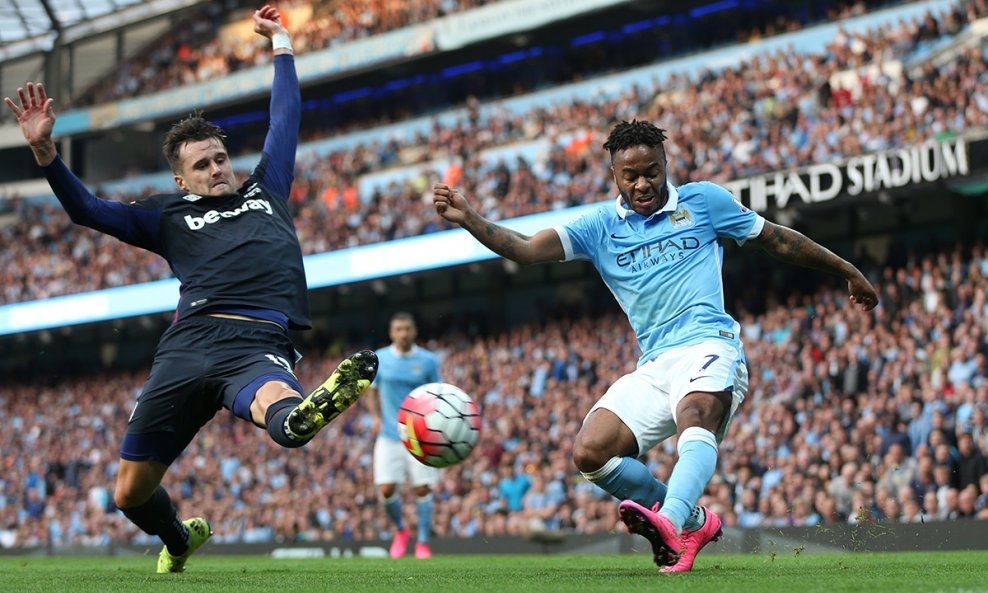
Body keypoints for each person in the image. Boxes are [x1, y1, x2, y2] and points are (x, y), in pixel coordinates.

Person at [4, 5, 378, 573]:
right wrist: (45, 154)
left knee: (281, 410)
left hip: (255, 342)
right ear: (181, 179)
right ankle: (178, 539)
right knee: (129, 493)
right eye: (202, 165)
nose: (217, 169)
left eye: (221, 158)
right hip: (187, 347)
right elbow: (86, 210)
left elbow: (285, 119)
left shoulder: (265, 190)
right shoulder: (165, 215)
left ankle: (300, 417)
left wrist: (282, 45)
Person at [433, 120, 878, 572]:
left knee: (695, 416)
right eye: (631, 176)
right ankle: (691, 522)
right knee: (590, 452)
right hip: (655, 363)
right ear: (614, 177)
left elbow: (777, 239)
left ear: (666, 164)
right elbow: (526, 249)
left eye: (652, 171)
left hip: (710, 343)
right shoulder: (600, 227)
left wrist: (847, 270)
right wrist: (471, 219)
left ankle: (667, 520)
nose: (643, 183)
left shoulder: (704, 201)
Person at [366, 313, 442, 559]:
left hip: (420, 436)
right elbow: (372, 392)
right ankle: (401, 531)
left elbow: (437, 394)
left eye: (407, 328)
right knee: (386, 489)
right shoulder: (380, 358)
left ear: (414, 331)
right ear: (391, 333)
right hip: (389, 434)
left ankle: (423, 542)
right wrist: (376, 417)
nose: (403, 333)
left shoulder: (428, 361)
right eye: (398, 329)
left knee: (422, 488)